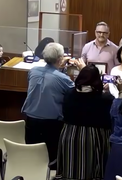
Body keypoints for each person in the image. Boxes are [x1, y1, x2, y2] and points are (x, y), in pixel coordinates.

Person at [55, 64, 114, 180]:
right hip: (93, 138)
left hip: (69, 135)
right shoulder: (105, 99)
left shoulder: (69, 94)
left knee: (70, 170)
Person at [21, 42, 75, 170]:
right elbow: (74, 94)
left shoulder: (33, 71)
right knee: (50, 158)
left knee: (33, 155)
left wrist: (58, 68)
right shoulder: (64, 79)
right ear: (60, 59)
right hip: (51, 124)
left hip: (31, 120)